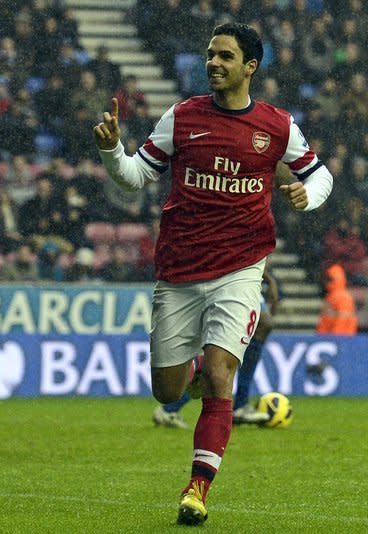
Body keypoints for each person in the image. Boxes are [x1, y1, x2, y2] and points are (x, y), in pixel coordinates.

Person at [93, 23, 333, 526]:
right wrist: (113, 150)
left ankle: (197, 488)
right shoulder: (182, 118)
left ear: (250, 67)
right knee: (168, 390)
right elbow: (137, 176)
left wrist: (306, 196)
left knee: (223, 374)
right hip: (179, 269)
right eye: (210, 54)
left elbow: (320, 174)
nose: (214, 63)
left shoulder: (278, 126)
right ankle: (193, 374)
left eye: (225, 56)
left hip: (241, 268)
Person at [153, 265, 281, 428]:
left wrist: (268, 279)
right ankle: (239, 404)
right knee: (257, 326)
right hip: (225, 271)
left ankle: (171, 408)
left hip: (237, 272)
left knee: (256, 329)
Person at [315, 263, 358, 335]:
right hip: (329, 338)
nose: (326, 282)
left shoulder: (343, 297)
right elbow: (325, 320)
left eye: (329, 279)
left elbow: (343, 320)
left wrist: (335, 338)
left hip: (340, 340)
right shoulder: (331, 296)